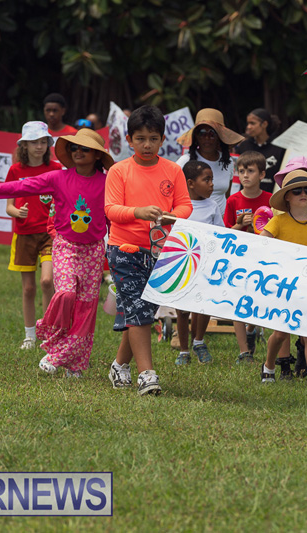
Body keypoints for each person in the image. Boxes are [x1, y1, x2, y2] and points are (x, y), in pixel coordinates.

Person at [0, 128, 114, 377]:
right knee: (64, 295)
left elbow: (118, 213)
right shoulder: (58, 178)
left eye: (84, 149)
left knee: (86, 311)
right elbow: (20, 187)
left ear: (97, 155)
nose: (78, 152)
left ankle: (74, 365)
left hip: (94, 252)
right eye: (74, 148)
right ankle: (52, 344)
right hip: (64, 247)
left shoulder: (107, 182)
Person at [105, 105, 193, 396]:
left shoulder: (172, 170)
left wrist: (171, 216)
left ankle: (119, 365)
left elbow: (185, 205)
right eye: (140, 138)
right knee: (139, 311)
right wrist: (138, 212)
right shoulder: (119, 171)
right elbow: (111, 210)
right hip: (124, 250)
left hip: (161, 252)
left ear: (161, 140)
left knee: (142, 311)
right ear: (129, 140)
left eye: (152, 138)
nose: (146, 144)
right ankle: (147, 375)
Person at [260, 170, 307, 390]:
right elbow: (261, 245)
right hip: (284, 285)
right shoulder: (278, 221)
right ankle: (268, 366)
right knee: (281, 333)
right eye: (297, 190)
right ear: (287, 197)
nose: (303, 194)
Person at [0, 122, 62, 349]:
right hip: (23, 234)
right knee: (28, 289)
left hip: (49, 234)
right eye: (34, 142)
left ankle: (47, 332)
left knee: (47, 281)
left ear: (49, 144)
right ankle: (29, 336)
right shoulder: (15, 171)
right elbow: (8, 206)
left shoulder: (56, 168)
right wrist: (17, 212)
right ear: (24, 145)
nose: (39, 146)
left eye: (43, 141)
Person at [223, 151, 273, 364]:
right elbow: (226, 232)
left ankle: (252, 330)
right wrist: (240, 224)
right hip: (239, 258)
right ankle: (244, 351)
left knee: (259, 299)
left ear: (262, 174)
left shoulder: (271, 200)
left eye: (250, 171)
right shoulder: (233, 200)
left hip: (262, 258)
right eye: (241, 171)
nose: (245, 175)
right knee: (237, 302)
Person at [174, 160, 224, 366]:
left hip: (206, 265)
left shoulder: (212, 206)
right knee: (182, 310)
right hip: (183, 265)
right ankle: (183, 350)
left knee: (202, 306)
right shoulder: (178, 206)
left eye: (212, 179)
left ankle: (199, 341)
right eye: (207, 179)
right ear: (191, 183)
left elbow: (221, 233)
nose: (212, 184)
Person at [175, 108, 245, 215]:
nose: (207, 137)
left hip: (219, 224)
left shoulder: (228, 162)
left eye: (212, 133)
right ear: (196, 137)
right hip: (191, 222)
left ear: (219, 137)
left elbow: (227, 196)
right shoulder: (185, 161)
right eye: (202, 133)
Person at [235, 108, 286, 193]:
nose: (248, 127)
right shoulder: (244, 146)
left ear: (264, 124)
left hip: (272, 199)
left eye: (252, 123)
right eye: (248, 123)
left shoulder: (280, 147)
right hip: (247, 198)